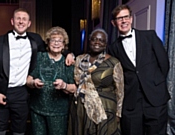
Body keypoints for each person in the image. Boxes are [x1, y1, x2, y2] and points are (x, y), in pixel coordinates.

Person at [0, 8, 74, 135]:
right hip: (1, 91)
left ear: (29, 23)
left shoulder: (35, 39)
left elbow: (53, 45)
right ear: (12, 21)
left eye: (24, 19)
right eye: (18, 18)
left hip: (21, 92)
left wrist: (69, 53)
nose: (21, 22)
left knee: (20, 129)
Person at [107, 4, 170, 135]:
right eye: (119, 18)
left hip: (155, 98)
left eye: (126, 17)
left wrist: (154, 83)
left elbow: (164, 63)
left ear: (131, 19)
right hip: (131, 101)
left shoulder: (149, 36)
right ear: (114, 23)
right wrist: (69, 54)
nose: (124, 21)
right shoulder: (112, 48)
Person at [67, 28, 124, 135]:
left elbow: (120, 90)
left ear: (106, 44)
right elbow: (76, 81)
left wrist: (118, 113)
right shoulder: (79, 59)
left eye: (101, 40)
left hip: (104, 107)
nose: (97, 42)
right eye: (94, 39)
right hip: (81, 106)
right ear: (89, 41)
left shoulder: (114, 62)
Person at [26, 26, 76, 135]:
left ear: (64, 44)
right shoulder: (39, 57)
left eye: (59, 41)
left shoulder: (68, 62)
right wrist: (33, 83)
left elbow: (74, 88)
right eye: (53, 40)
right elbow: (28, 79)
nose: (56, 43)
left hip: (59, 112)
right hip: (37, 109)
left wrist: (64, 86)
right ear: (48, 42)